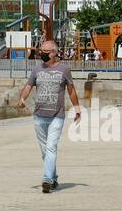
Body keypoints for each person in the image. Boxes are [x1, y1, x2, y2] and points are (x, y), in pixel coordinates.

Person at [18, 40, 80, 194]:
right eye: (41, 51)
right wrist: (22, 98)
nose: (42, 54)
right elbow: (28, 86)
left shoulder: (64, 70)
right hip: (39, 116)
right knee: (45, 150)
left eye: (45, 51)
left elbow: (71, 90)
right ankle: (53, 177)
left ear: (54, 52)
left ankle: (46, 178)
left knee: (51, 147)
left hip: (57, 116)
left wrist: (77, 108)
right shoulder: (37, 69)